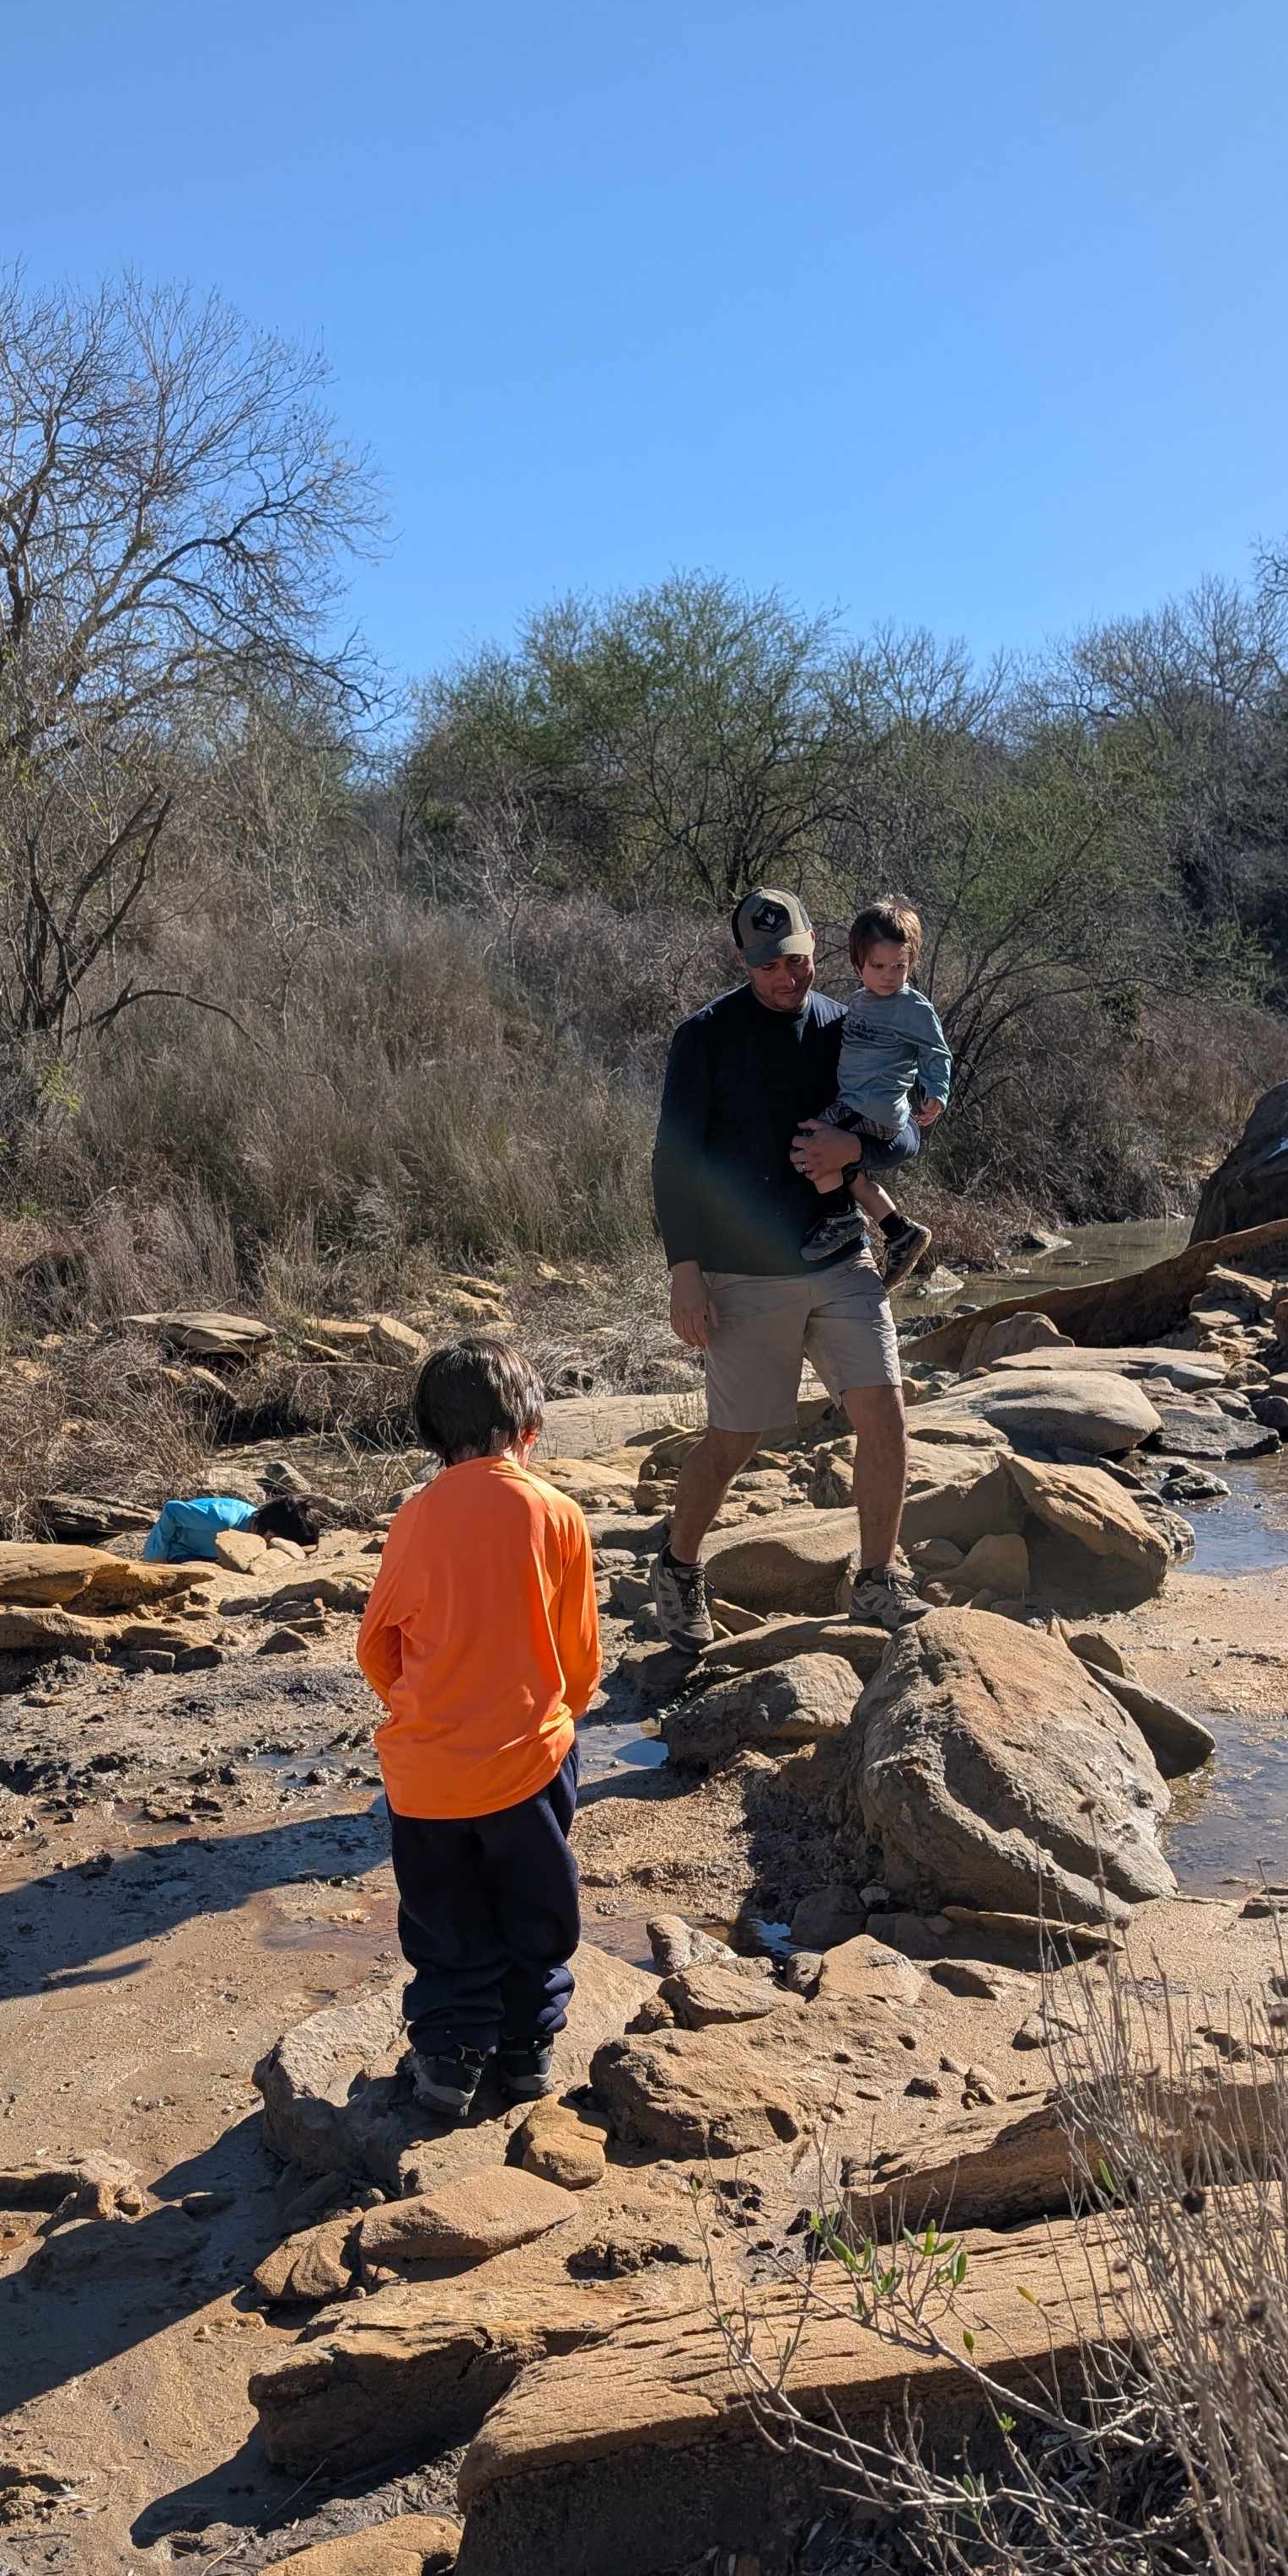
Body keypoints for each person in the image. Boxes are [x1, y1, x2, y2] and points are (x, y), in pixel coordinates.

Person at [647, 884, 926, 1653]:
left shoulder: (848, 1025)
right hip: (743, 1273)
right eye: (770, 964)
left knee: (887, 1420)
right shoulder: (704, 1038)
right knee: (734, 1442)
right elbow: (674, 1166)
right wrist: (685, 1271)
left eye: (798, 960)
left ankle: (876, 1581)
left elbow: (901, 1135)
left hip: (840, 1255)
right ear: (744, 959)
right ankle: (676, 1567)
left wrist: (856, 1152)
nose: (787, 977)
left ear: (813, 949)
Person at [354, 1334, 599, 2125]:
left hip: (425, 1774)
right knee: (536, 1907)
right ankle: (528, 2049)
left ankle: (450, 2057)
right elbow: (580, 1653)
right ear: (527, 1424)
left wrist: (423, 1708)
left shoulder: (416, 1516)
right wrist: (564, 1718)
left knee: (443, 1916)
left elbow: (376, 1644)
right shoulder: (554, 1511)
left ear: (434, 1434)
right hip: (529, 1759)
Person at [798, 892, 953, 1291]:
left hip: (877, 1107)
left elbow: (936, 1051)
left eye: (899, 966)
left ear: (911, 964)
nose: (889, 975)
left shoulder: (913, 1008)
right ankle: (899, 1231)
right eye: (878, 966)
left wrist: (937, 1092)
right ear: (858, 964)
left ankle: (841, 1219)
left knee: (810, 1145)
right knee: (847, 1168)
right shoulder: (858, 1002)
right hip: (856, 1102)